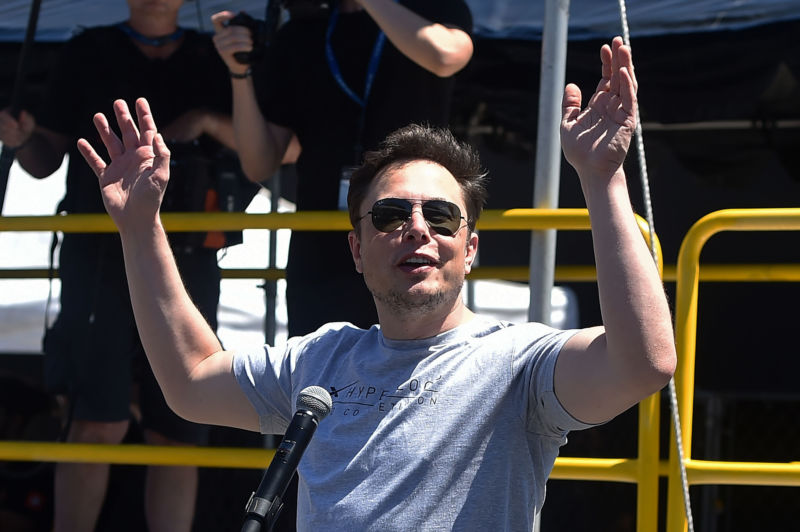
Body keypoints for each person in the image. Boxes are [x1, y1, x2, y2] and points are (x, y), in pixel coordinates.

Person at [77, 37, 677, 530]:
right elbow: (190, 382)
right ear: (357, 250)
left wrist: (602, 182)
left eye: (440, 216)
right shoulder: (323, 356)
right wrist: (139, 228)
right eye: (391, 216)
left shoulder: (518, 363)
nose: (417, 229)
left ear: (469, 249)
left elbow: (643, 364)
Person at [0, 1, 241, 531]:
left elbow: (269, 152)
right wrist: (20, 140)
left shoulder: (216, 55)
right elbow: (44, 161)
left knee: (182, 424)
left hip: (191, 258)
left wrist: (203, 121)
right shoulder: (87, 51)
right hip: (99, 258)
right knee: (94, 420)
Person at [210, 0, 474, 337]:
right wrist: (239, 73)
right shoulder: (301, 32)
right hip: (322, 239)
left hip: (411, 232)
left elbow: (446, 57)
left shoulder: (431, 10)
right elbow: (258, 163)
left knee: (412, 368)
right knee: (319, 372)